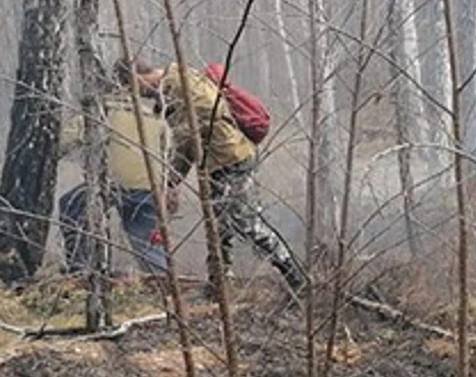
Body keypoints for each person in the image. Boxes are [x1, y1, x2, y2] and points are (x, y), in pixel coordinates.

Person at [132, 59, 307, 293]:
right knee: (218, 229)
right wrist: (172, 180)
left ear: (140, 75)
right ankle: (218, 287)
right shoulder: (173, 87)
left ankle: (296, 277)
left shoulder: (181, 85)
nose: (136, 93)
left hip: (231, 158)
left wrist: (172, 178)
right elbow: (187, 143)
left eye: (131, 85)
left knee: (247, 224)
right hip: (217, 162)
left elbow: (194, 129)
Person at [58, 72, 173, 278]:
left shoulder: (101, 111)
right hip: (149, 189)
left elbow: (63, 143)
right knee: (147, 241)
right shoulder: (153, 117)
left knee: (71, 205)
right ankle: (163, 282)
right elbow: (168, 155)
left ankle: (81, 271)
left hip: (113, 184)